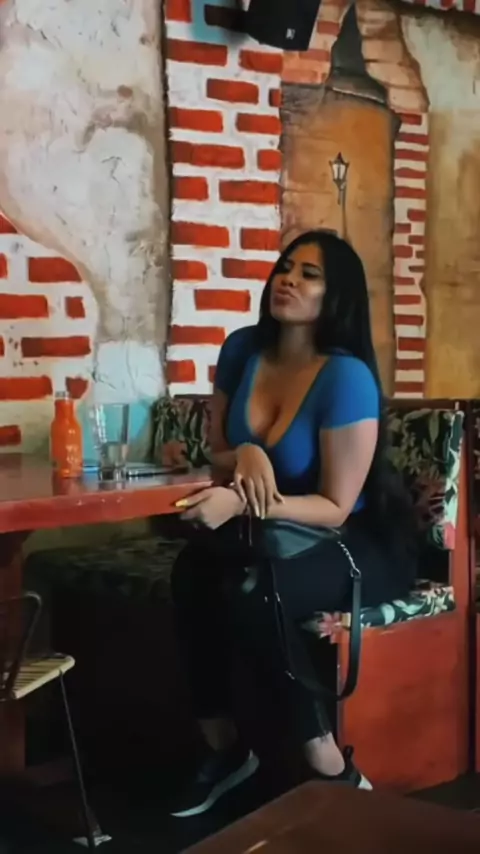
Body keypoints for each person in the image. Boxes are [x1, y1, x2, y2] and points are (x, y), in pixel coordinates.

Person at [170, 230, 417, 818]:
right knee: (192, 571)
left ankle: (330, 764)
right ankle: (227, 750)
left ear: (337, 296)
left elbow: (335, 506)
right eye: (286, 267)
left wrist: (243, 501)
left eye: (310, 274)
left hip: (354, 542)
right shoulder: (242, 350)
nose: (288, 280)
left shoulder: (345, 376)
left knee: (259, 592)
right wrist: (246, 454)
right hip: (275, 536)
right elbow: (217, 451)